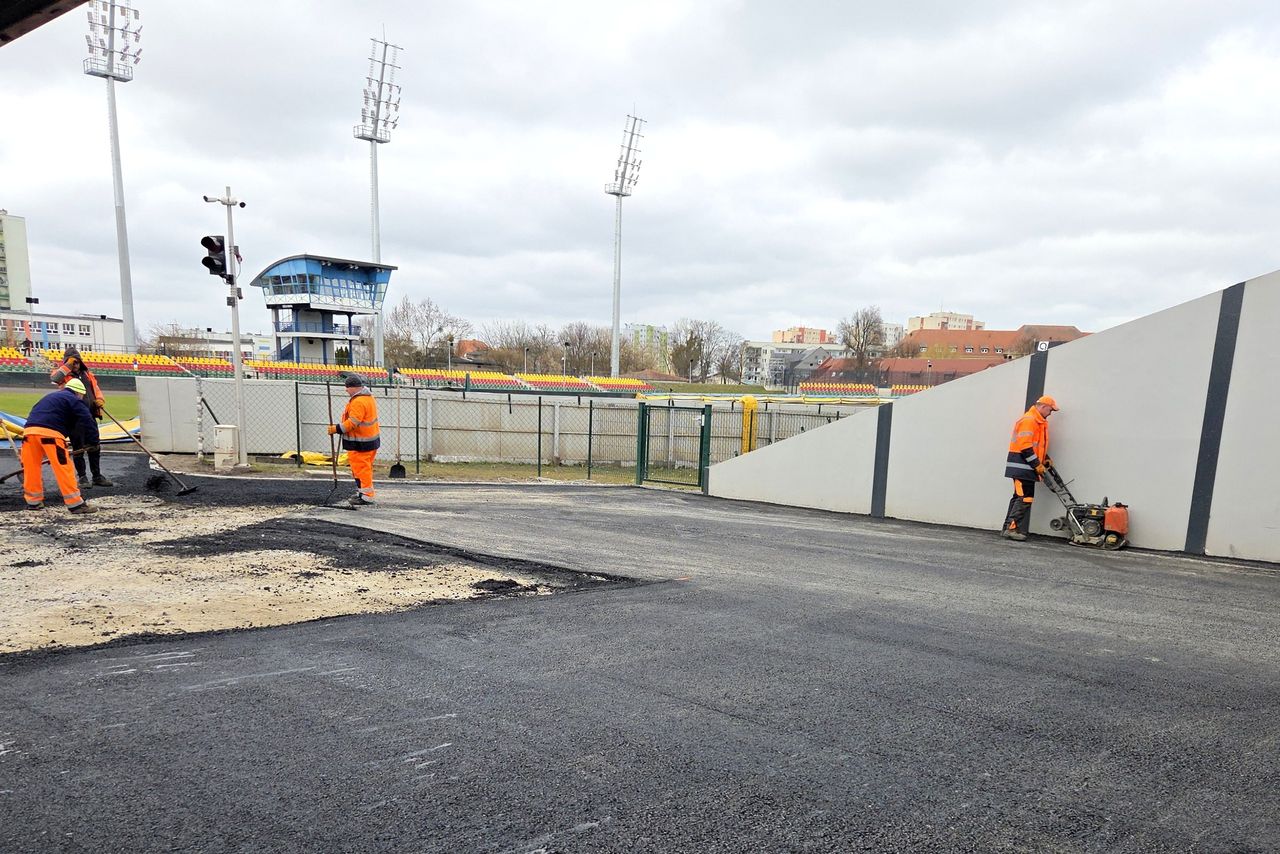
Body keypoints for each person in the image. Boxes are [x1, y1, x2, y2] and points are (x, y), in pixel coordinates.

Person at [20, 378, 99, 514]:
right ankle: (75, 504)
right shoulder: (74, 400)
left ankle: (34, 502)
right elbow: (88, 420)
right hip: (50, 436)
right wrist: (94, 441)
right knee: (63, 468)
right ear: (78, 393)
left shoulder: (50, 397)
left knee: (31, 468)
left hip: (29, 434)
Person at [49, 347, 113, 489]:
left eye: (77, 362)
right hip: (74, 418)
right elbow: (54, 379)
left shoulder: (87, 374)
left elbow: (96, 389)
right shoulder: (64, 375)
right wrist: (67, 366)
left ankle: (97, 476)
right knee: (78, 447)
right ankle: (83, 477)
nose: (75, 364)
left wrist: (100, 399)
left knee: (95, 445)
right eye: (72, 362)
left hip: (90, 415)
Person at [1001, 394, 1059, 541]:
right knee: (1024, 497)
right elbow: (1025, 446)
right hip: (1022, 467)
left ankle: (1008, 527)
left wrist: (1045, 459)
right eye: (1050, 410)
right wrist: (1037, 465)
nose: (1050, 413)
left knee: (1019, 497)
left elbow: (1036, 446)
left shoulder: (1038, 421)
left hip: (1025, 467)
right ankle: (1011, 529)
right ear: (1043, 407)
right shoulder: (1030, 420)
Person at [328, 373, 380, 508]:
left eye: (347, 387)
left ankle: (366, 496)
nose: (346, 389)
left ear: (354, 387)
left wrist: (336, 429)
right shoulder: (367, 398)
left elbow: (353, 423)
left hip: (361, 442)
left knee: (362, 469)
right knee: (362, 469)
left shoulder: (359, 401)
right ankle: (363, 493)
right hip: (367, 440)